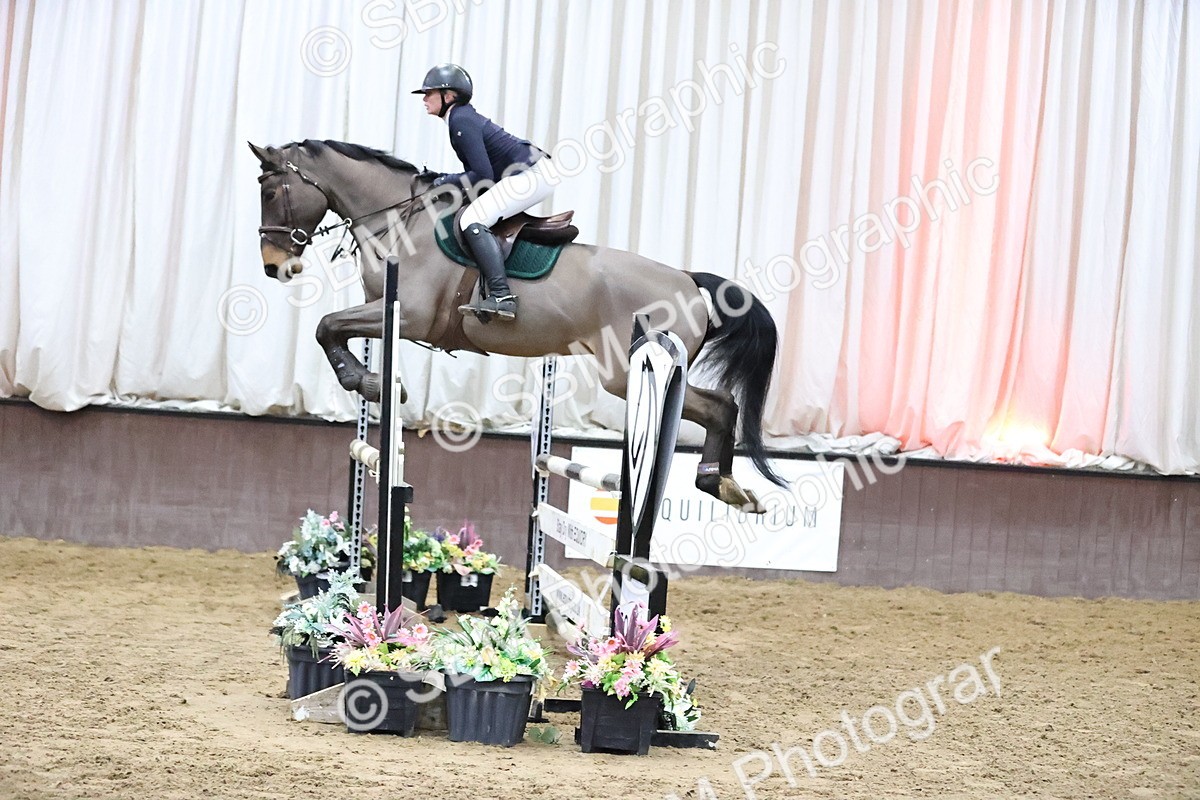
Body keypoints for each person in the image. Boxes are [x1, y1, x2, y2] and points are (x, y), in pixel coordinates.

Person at [414, 63, 553, 321]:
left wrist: (443, 181)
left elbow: (482, 175)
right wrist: (442, 178)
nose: (424, 99)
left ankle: (501, 296)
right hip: (529, 172)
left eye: (429, 93)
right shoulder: (460, 118)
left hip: (532, 175)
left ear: (448, 95)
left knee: (471, 220)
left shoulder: (460, 119)